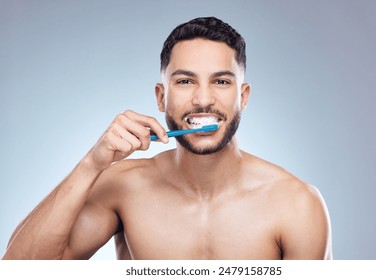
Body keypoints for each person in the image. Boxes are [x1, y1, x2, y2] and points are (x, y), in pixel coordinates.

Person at [2, 17, 332, 260]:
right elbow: (19, 269)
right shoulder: (123, 187)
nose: (203, 100)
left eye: (221, 82)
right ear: (161, 97)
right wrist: (92, 164)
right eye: (186, 82)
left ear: (242, 97)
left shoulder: (296, 204)